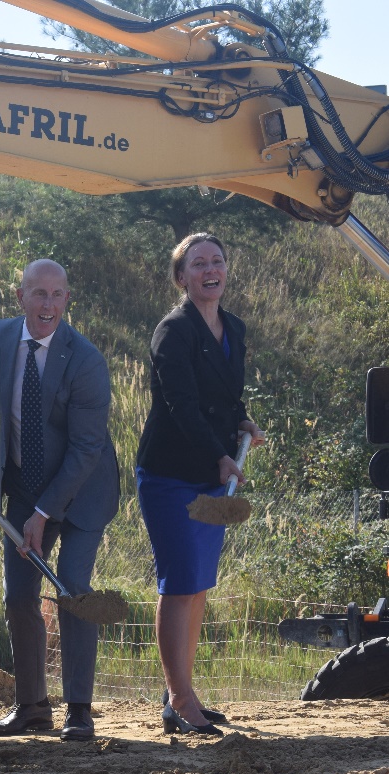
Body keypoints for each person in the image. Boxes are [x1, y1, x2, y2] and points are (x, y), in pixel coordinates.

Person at [0, 259, 119, 741]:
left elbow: (87, 448)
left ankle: (80, 711)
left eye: (58, 295)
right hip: (24, 485)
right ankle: (31, 707)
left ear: (68, 299)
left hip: (84, 491)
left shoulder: (86, 360)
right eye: (39, 294)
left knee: (71, 589)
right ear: (19, 295)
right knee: (19, 596)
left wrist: (45, 514)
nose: (48, 305)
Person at [136, 233, 266, 736]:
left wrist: (244, 425)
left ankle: (180, 699)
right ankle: (181, 700)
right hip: (170, 475)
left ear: (225, 270)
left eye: (217, 261)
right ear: (182, 277)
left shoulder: (233, 327)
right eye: (198, 264)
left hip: (214, 475)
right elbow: (180, 406)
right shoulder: (172, 331)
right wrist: (219, 456)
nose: (210, 270)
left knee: (199, 588)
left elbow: (227, 398)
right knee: (179, 582)